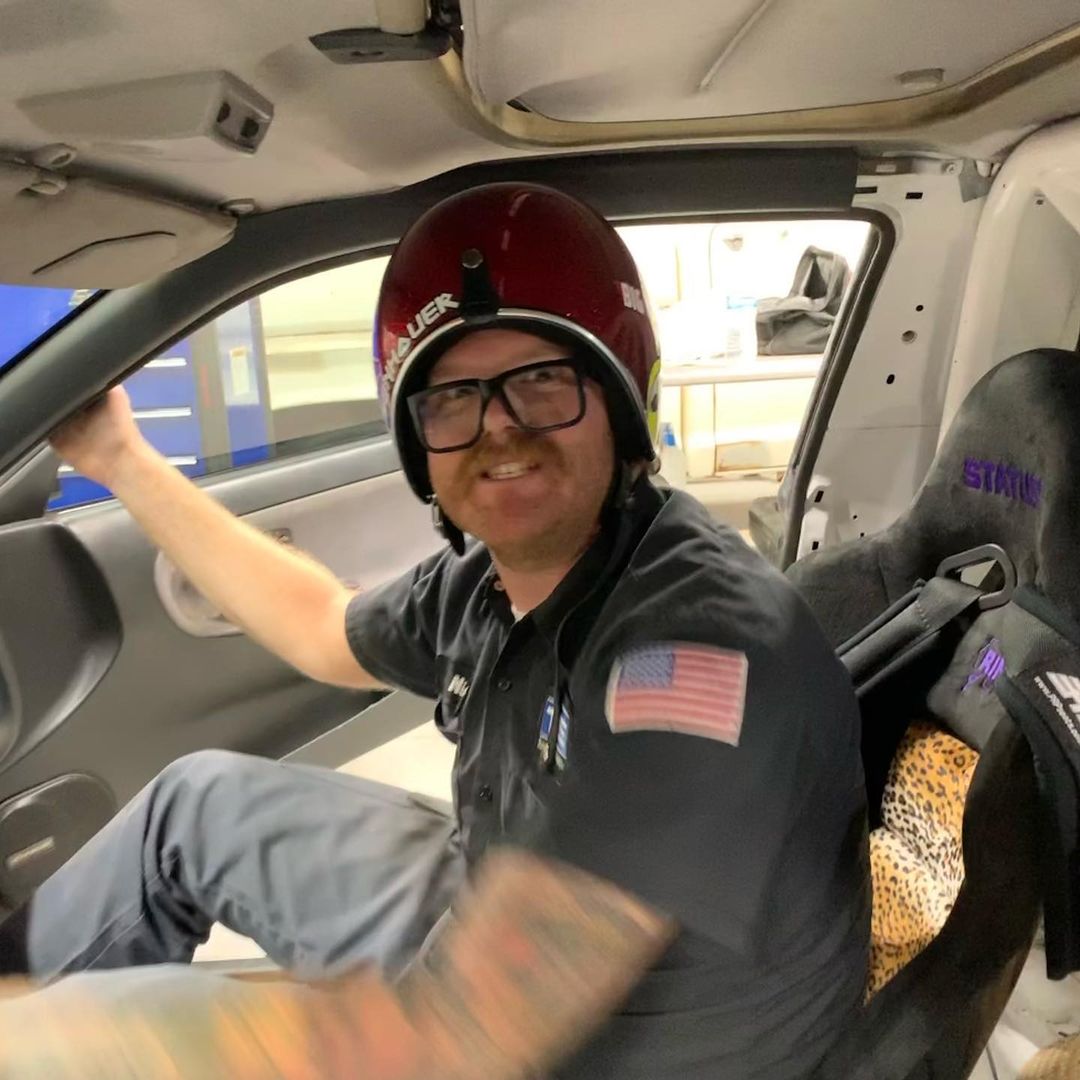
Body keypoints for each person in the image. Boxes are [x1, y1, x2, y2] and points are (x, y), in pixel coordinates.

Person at [0, 183, 869, 1078]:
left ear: (619, 401)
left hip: (610, 1049)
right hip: (495, 909)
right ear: (419, 441)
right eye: (453, 397)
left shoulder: (699, 654)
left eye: (542, 381)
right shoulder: (493, 583)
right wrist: (118, 459)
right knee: (193, 807)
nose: (500, 431)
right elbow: (320, 626)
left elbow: (448, 1044)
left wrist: (48, 1039)